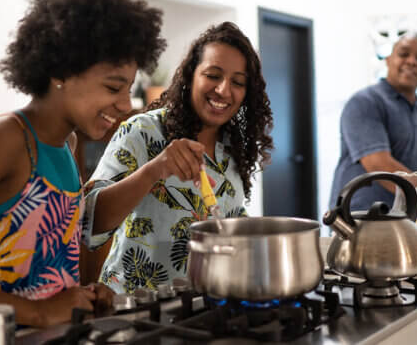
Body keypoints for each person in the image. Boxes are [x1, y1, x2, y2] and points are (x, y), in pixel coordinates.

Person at [0, 0, 168, 343]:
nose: (127, 104)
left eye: (128, 89)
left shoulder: (68, 144)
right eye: (114, 88)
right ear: (60, 74)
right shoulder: (7, 137)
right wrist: (38, 312)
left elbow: (50, 259)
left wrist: (88, 294)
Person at [82, 22, 274, 294]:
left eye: (238, 82)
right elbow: (89, 222)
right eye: (213, 75)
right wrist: (154, 170)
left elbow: (225, 219)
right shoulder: (143, 131)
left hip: (202, 309)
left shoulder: (234, 149)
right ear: (190, 76)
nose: (223, 90)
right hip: (134, 310)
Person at [329, 31, 417, 212]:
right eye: (403, 54)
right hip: (361, 223)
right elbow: (380, 166)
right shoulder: (365, 102)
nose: (411, 61)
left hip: (415, 225)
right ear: (388, 60)